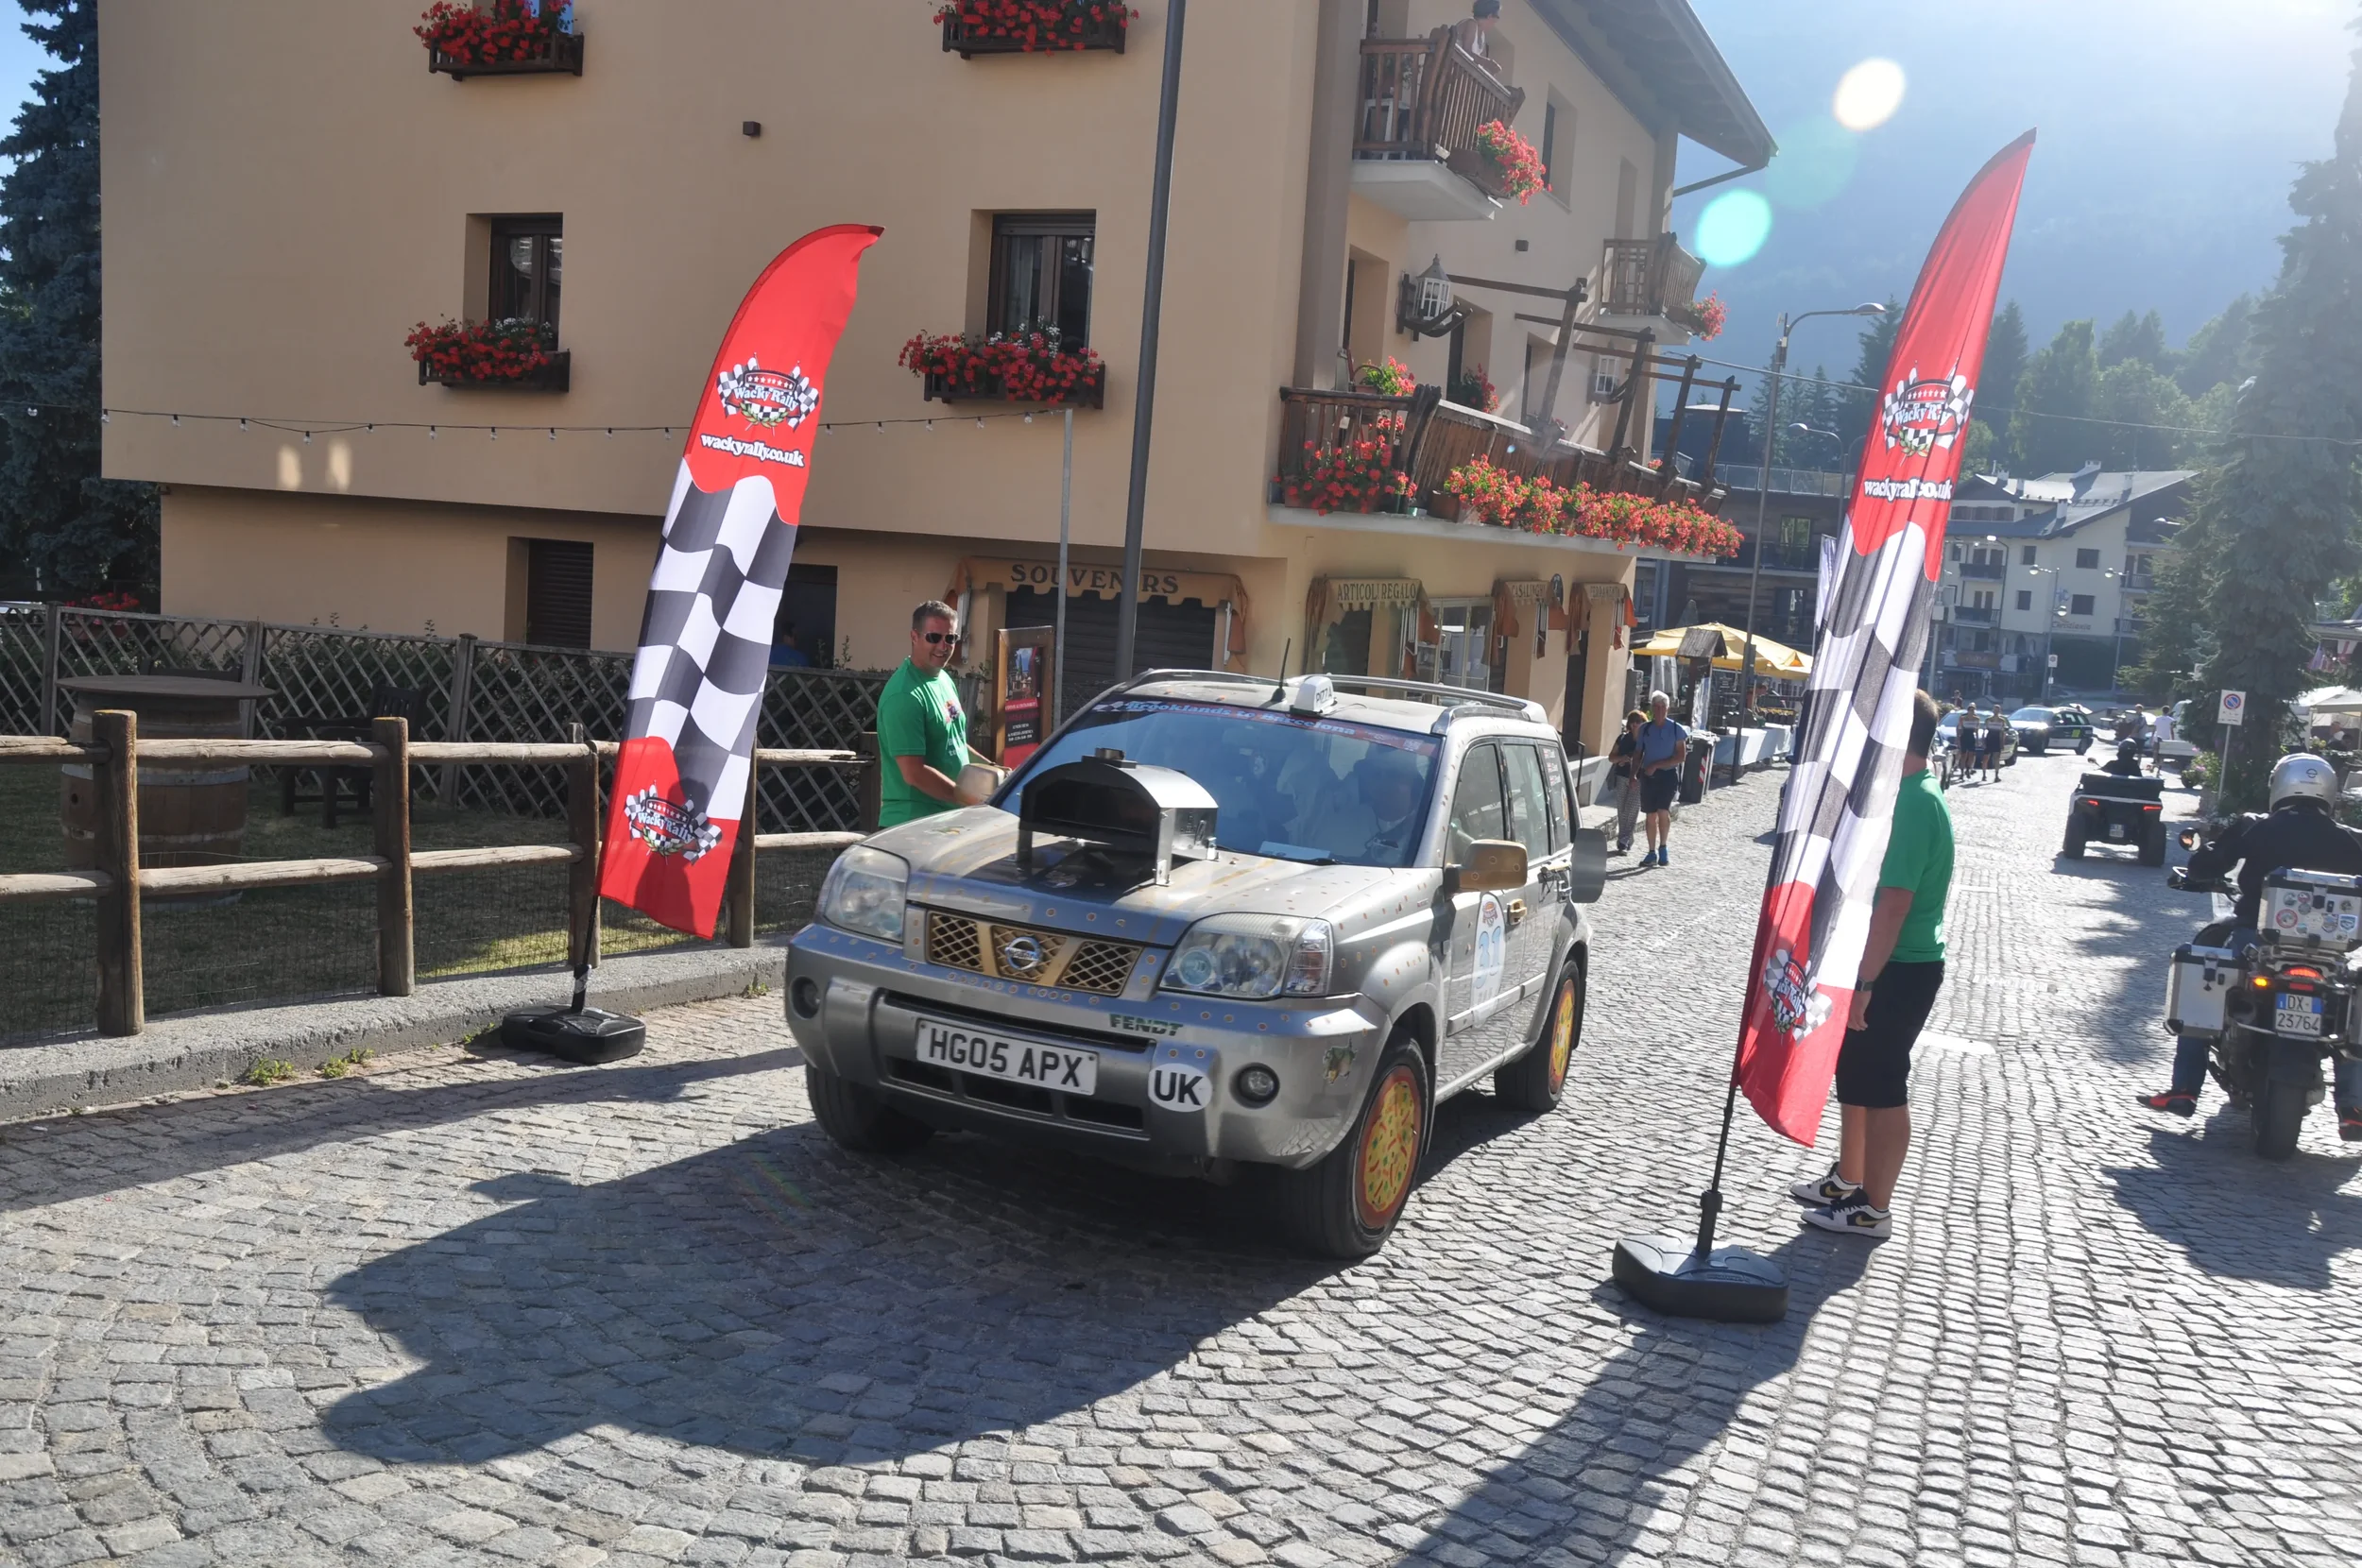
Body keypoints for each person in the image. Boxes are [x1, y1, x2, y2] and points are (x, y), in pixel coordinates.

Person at [1793, 690, 1954, 1237]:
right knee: (1857, 1077)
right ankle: (1850, 1179)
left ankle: (1873, 1208)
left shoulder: (1913, 801)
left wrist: (1865, 981)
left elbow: (1895, 903)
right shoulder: (1909, 793)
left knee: (1883, 1084)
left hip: (1897, 967)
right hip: (1890, 963)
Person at [2139, 751, 2362, 1139]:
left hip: (2256, 940)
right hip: (2330, 954)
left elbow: (2206, 866)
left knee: (2204, 975)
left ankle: (2184, 1090)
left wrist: (2200, 866)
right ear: (2329, 792)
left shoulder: (2255, 826)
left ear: (2280, 786)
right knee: (2350, 1012)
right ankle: (2353, 1109)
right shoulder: (2351, 839)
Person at [876, 600, 972, 828]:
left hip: (945, 819)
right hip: (912, 825)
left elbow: (955, 741)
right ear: (914, 636)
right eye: (933, 637)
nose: (943, 646)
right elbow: (914, 773)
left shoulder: (943, 678)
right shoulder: (904, 695)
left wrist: (996, 770)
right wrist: (968, 798)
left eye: (950, 638)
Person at [1635, 690, 1687, 867]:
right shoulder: (1645, 729)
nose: (1659, 711)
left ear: (1667, 708)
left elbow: (1681, 756)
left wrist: (1657, 764)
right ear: (1651, 708)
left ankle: (1663, 847)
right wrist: (1633, 775)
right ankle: (1651, 852)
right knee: (1650, 816)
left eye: (1662, 707)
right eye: (1656, 707)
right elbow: (1637, 753)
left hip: (1667, 776)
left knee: (1663, 811)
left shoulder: (1675, 729)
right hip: (1648, 776)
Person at [1605, 708, 1645, 855]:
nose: (1635, 725)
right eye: (1633, 722)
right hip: (1622, 777)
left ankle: (1624, 841)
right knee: (1622, 810)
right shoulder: (1622, 738)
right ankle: (1625, 839)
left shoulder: (1646, 740)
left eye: (1638, 722)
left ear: (1643, 723)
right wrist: (1621, 759)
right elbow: (1611, 757)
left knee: (1631, 809)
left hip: (1639, 778)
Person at [1451, 0, 1505, 77]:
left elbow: (1475, 60)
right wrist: (1488, 63)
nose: (1493, 25)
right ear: (1489, 16)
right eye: (1494, 21)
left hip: (1457, 73)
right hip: (1448, 67)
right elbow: (1466, 52)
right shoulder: (1471, 23)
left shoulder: (1482, 36)